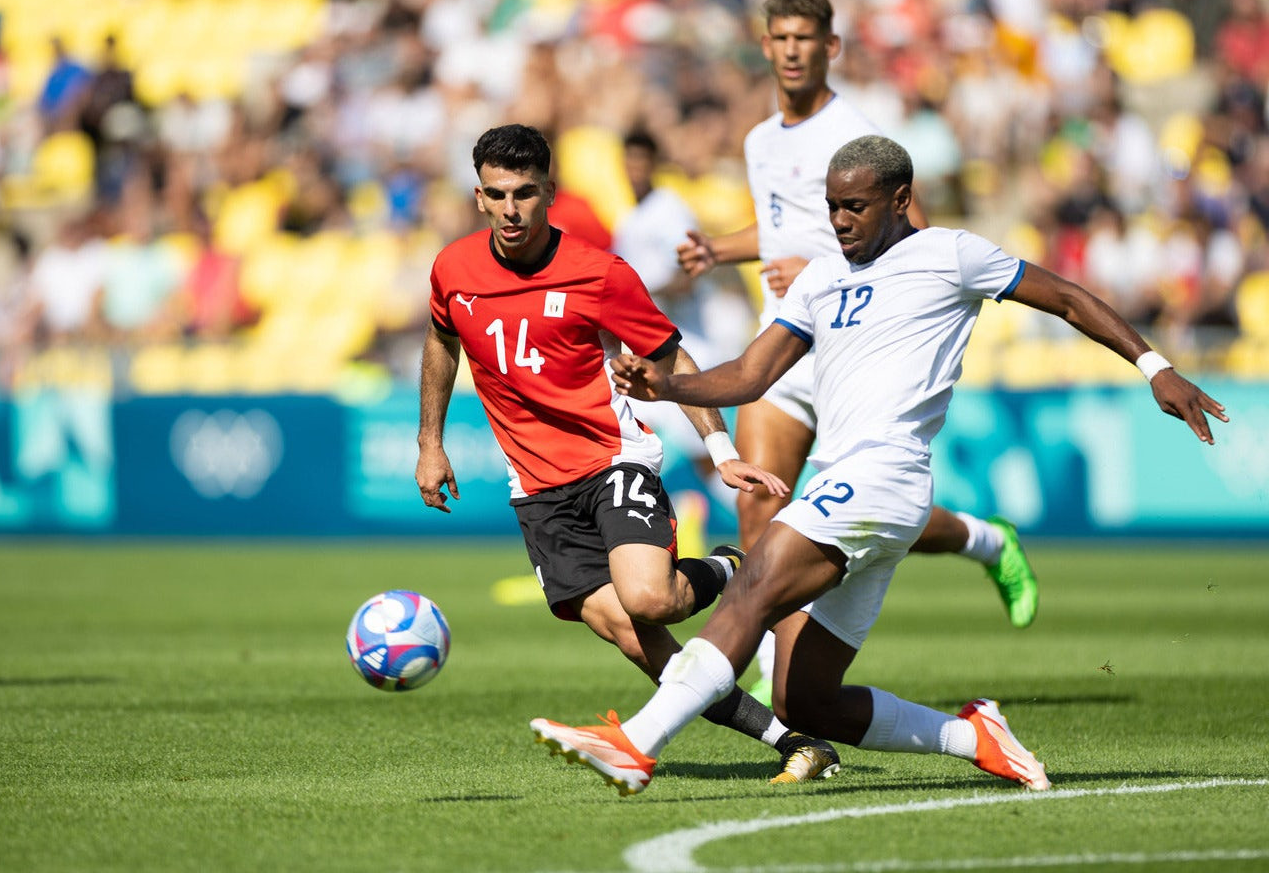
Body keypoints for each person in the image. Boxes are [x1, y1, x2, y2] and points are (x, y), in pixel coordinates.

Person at [530, 134, 1228, 796]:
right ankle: (973, 737)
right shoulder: (821, 279)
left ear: (899, 199)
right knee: (807, 699)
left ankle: (638, 745)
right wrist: (670, 386)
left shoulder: (951, 254)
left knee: (752, 586)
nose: (837, 219)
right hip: (852, 488)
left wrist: (1155, 367)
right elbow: (749, 373)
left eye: (854, 205)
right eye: (831, 205)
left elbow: (1070, 299)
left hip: (883, 477)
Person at [415, 123, 842, 784]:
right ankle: (791, 741)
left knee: (649, 598)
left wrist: (719, 446)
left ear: (549, 193)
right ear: (478, 197)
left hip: (613, 460)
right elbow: (443, 342)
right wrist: (430, 443)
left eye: (525, 193)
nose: (511, 209)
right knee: (640, 641)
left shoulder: (599, 274)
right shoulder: (454, 269)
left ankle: (735, 571)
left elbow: (672, 359)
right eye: (497, 194)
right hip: (535, 490)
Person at [675, 0, 1038, 704]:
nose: (790, 50)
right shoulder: (758, 140)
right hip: (784, 341)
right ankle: (781, 688)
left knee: (858, 512)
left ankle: (983, 540)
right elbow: (778, 229)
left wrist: (815, 264)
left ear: (829, 46)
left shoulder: (856, 131)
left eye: (804, 37)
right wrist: (722, 249)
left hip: (853, 346)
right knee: (760, 512)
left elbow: (916, 241)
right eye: (778, 37)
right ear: (765, 46)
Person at [610, 129, 756, 558]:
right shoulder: (628, 219)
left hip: (683, 349)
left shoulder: (669, 210)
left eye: (641, 163)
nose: (634, 171)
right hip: (648, 351)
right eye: (629, 162)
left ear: (654, 165)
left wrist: (642, 297)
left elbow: (690, 271)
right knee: (644, 443)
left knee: (709, 461)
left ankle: (759, 524)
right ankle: (671, 524)